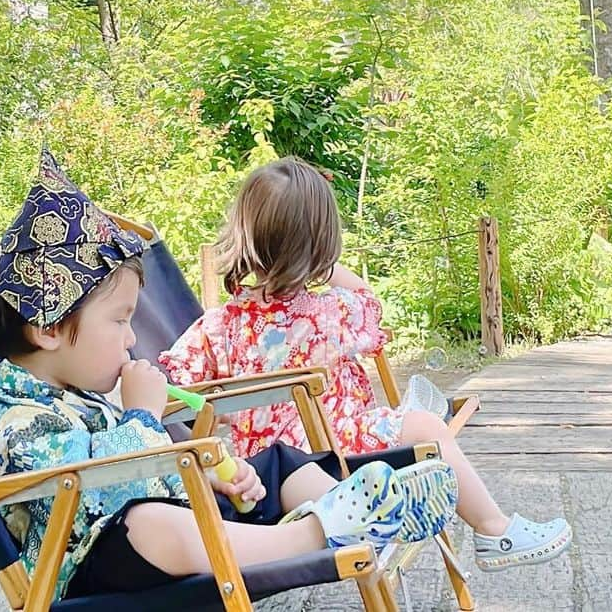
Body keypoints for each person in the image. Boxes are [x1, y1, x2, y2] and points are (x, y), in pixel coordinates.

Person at [0, 150, 460, 601]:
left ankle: (355, 510)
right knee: (149, 523)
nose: (132, 339)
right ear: (48, 328)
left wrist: (209, 474)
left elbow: (147, 471)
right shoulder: (17, 424)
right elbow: (100, 492)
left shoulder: (80, 398)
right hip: (90, 567)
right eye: (120, 321)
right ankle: (315, 533)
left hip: (171, 532)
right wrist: (141, 415)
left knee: (277, 462)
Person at [160, 155, 572, 573]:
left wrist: (226, 418)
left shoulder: (217, 326)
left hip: (265, 468)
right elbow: (368, 299)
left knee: (416, 420)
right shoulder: (330, 312)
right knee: (426, 426)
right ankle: (492, 529)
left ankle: (413, 498)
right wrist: (326, 266)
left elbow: (176, 384)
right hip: (334, 448)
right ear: (322, 246)